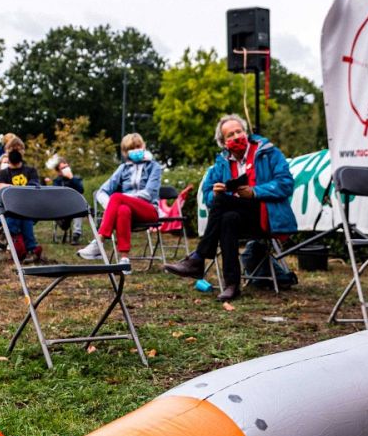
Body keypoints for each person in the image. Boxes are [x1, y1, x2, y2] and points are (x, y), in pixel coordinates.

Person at [163, 114, 298, 302]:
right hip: (237, 216)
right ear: (223, 142)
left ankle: (199, 258)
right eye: (230, 135)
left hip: (265, 215)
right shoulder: (221, 162)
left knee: (221, 204)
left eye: (239, 131)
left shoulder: (269, 153)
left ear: (246, 133)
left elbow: (286, 184)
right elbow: (207, 193)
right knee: (228, 217)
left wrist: (254, 192)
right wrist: (215, 193)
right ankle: (232, 285)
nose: (236, 136)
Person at [79, 133, 160, 269]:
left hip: (148, 210)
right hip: (127, 212)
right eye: (131, 148)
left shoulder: (154, 167)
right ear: (125, 152)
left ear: (144, 146)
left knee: (117, 197)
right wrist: (112, 206)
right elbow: (101, 192)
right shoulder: (123, 168)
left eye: (138, 146)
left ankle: (99, 242)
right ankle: (124, 260)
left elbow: (149, 193)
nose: (135, 150)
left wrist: (122, 199)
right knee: (122, 209)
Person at [0, 148, 44, 263]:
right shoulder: (3, 173)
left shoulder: (30, 171)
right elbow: (0, 189)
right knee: (21, 213)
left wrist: (10, 187)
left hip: (28, 207)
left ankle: (4, 233)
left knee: (21, 211)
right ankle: (31, 250)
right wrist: (20, 189)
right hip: (10, 207)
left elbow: (34, 187)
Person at [48, 156, 85, 243]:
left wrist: (71, 178)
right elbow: (56, 195)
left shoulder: (76, 179)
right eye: (63, 168)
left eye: (67, 167)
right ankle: (64, 225)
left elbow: (81, 190)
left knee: (79, 205)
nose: (66, 169)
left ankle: (76, 234)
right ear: (58, 171)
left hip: (74, 207)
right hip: (62, 208)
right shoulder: (57, 181)